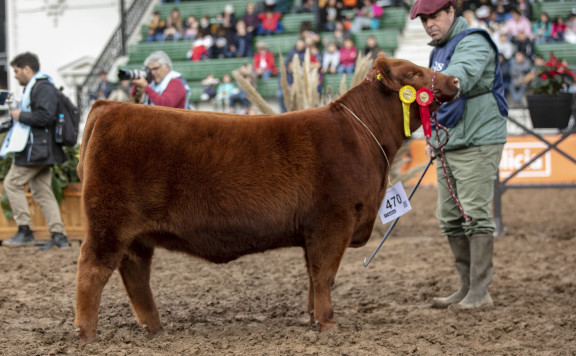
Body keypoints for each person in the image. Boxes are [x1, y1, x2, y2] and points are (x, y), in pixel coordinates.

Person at [410, 0, 508, 311]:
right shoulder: (437, 49)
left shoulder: (474, 41)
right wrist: (431, 134)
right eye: (424, 19)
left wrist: (440, 86)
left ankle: (480, 292)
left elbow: (458, 76)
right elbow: (433, 100)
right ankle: (466, 286)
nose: (429, 24)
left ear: (452, 11)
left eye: (434, 16)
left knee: (475, 214)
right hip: (449, 140)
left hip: (478, 138)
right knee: (450, 218)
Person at [1, 52, 69, 250]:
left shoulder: (42, 88)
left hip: (36, 150)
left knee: (11, 183)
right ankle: (59, 235)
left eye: (16, 71)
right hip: (40, 149)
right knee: (42, 191)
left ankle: (25, 230)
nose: (14, 75)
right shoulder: (37, 88)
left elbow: (46, 116)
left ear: (27, 69)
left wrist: (20, 114)